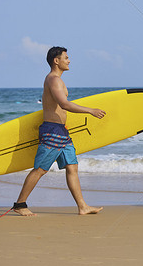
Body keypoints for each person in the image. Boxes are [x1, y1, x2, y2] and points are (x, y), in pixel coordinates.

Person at [13, 47, 106, 216]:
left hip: (62, 132)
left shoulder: (57, 80)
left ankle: (82, 207)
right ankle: (20, 204)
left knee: (72, 167)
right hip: (52, 132)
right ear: (56, 61)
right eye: (66, 57)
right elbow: (64, 104)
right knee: (40, 169)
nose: (69, 60)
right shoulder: (53, 80)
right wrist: (90, 111)